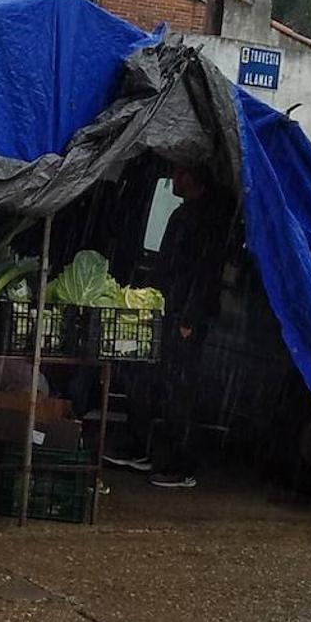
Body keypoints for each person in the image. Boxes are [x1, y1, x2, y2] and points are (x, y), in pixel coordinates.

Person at [107, 165, 233, 488]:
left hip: (184, 318)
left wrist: (189, 319)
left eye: (179, 174)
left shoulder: (208, 221)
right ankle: (141, 448)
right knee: (148, 380)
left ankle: (182, 465)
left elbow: (205, 273)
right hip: (168, 311)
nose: (174, 180)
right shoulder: (185, 215)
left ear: (194, 177)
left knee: (180, 390)